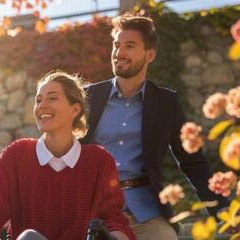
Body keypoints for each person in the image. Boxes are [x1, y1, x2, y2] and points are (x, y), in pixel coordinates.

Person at [79, 13, 231, 239]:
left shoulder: (166, 102)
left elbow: (192, 161)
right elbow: (62, 150)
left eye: (129, 46)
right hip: (93, 209)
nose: (119, 53)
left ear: (150, 55)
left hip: (145, 212)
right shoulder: (88, 96)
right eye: (116, 45)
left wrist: (224, 212)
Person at [0, 71, 135, 240]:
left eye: (52, 98)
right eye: (38, 100)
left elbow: (112, 215)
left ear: (75, 110)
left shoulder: (100, 162)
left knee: (29, 237)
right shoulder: (16, 156)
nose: (42, 105)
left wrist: (118, 234)